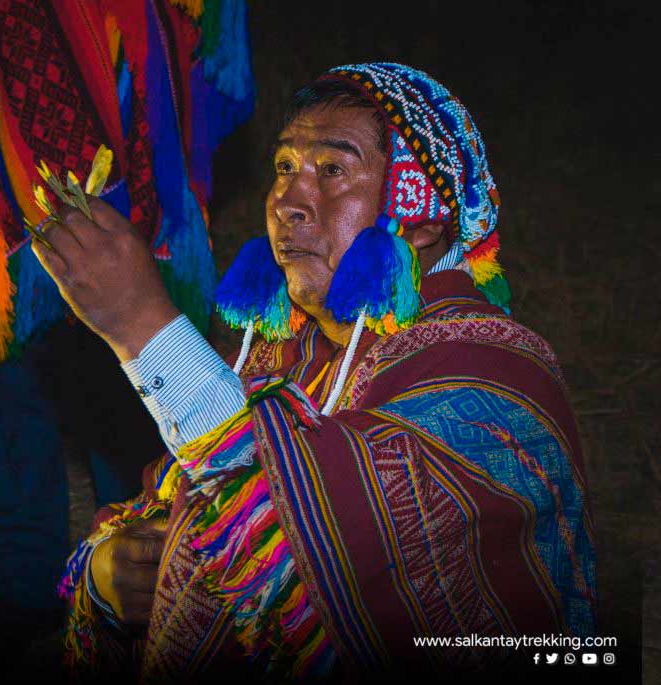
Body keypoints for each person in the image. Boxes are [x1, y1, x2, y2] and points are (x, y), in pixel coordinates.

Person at [41, 63, 596, 680]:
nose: (289, 202)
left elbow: (313, 572)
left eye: (332, 170)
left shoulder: (491, 375)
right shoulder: (285, 356)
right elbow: (183, 502)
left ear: (424, 217)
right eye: (284, 169)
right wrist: (107, 577)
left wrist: (143, 326)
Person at [0, 0, 254, 661]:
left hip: (109, 71)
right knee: (10, 359)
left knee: (127, 345)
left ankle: (150, 564)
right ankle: (25, 584)